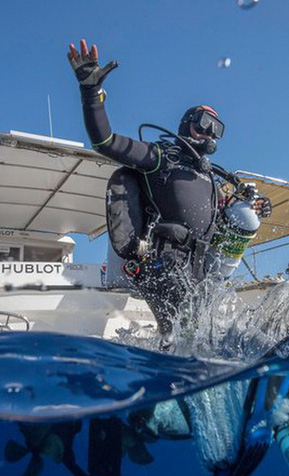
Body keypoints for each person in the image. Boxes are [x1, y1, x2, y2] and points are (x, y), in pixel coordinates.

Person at [67, 39, 271, 343]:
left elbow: (225, 219)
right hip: (162, 264)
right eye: (202, 123)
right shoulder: (160, 156)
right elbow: (104, 141)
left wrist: (256, 208)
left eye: (216, 128)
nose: (208, 132)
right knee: (190, 335)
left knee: (195, 334)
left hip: (197, 271)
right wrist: (90, 93)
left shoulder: (212, 179)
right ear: (185, 125)